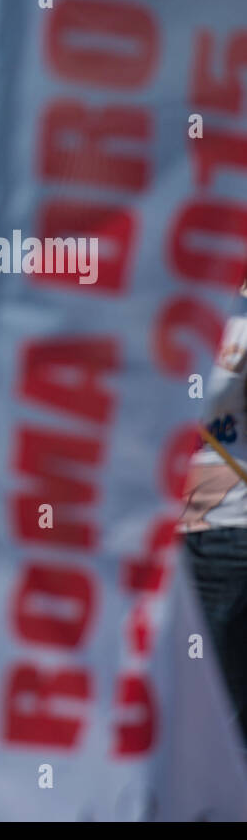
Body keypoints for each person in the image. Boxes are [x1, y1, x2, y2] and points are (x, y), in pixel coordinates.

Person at [179, 277, 247, 747]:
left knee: (222, 690)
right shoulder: (147, 321)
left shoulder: (240, 325)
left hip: (230, 530)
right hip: (156, 532)